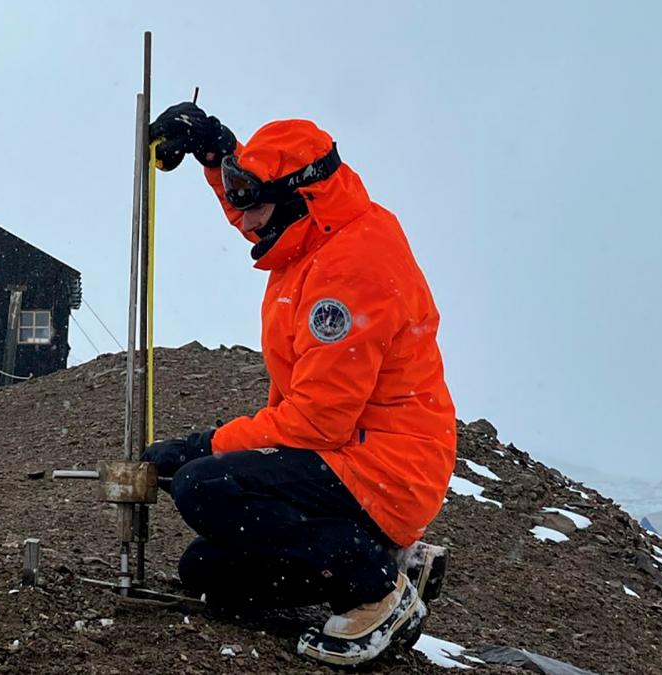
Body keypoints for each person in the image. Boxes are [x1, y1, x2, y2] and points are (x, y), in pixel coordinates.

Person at [142, 102, 457, 666]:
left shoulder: (352, 269)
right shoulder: (312, 233)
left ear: (299, 198)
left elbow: (319, 420)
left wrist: (204, 446)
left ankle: (375, 591)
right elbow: (254, 206)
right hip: (350, 455)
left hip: (386, 464)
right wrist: (216, 156)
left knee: (205, 487)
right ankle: (391, 557)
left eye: (255, 204)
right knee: (208, 571)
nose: (245, 221)